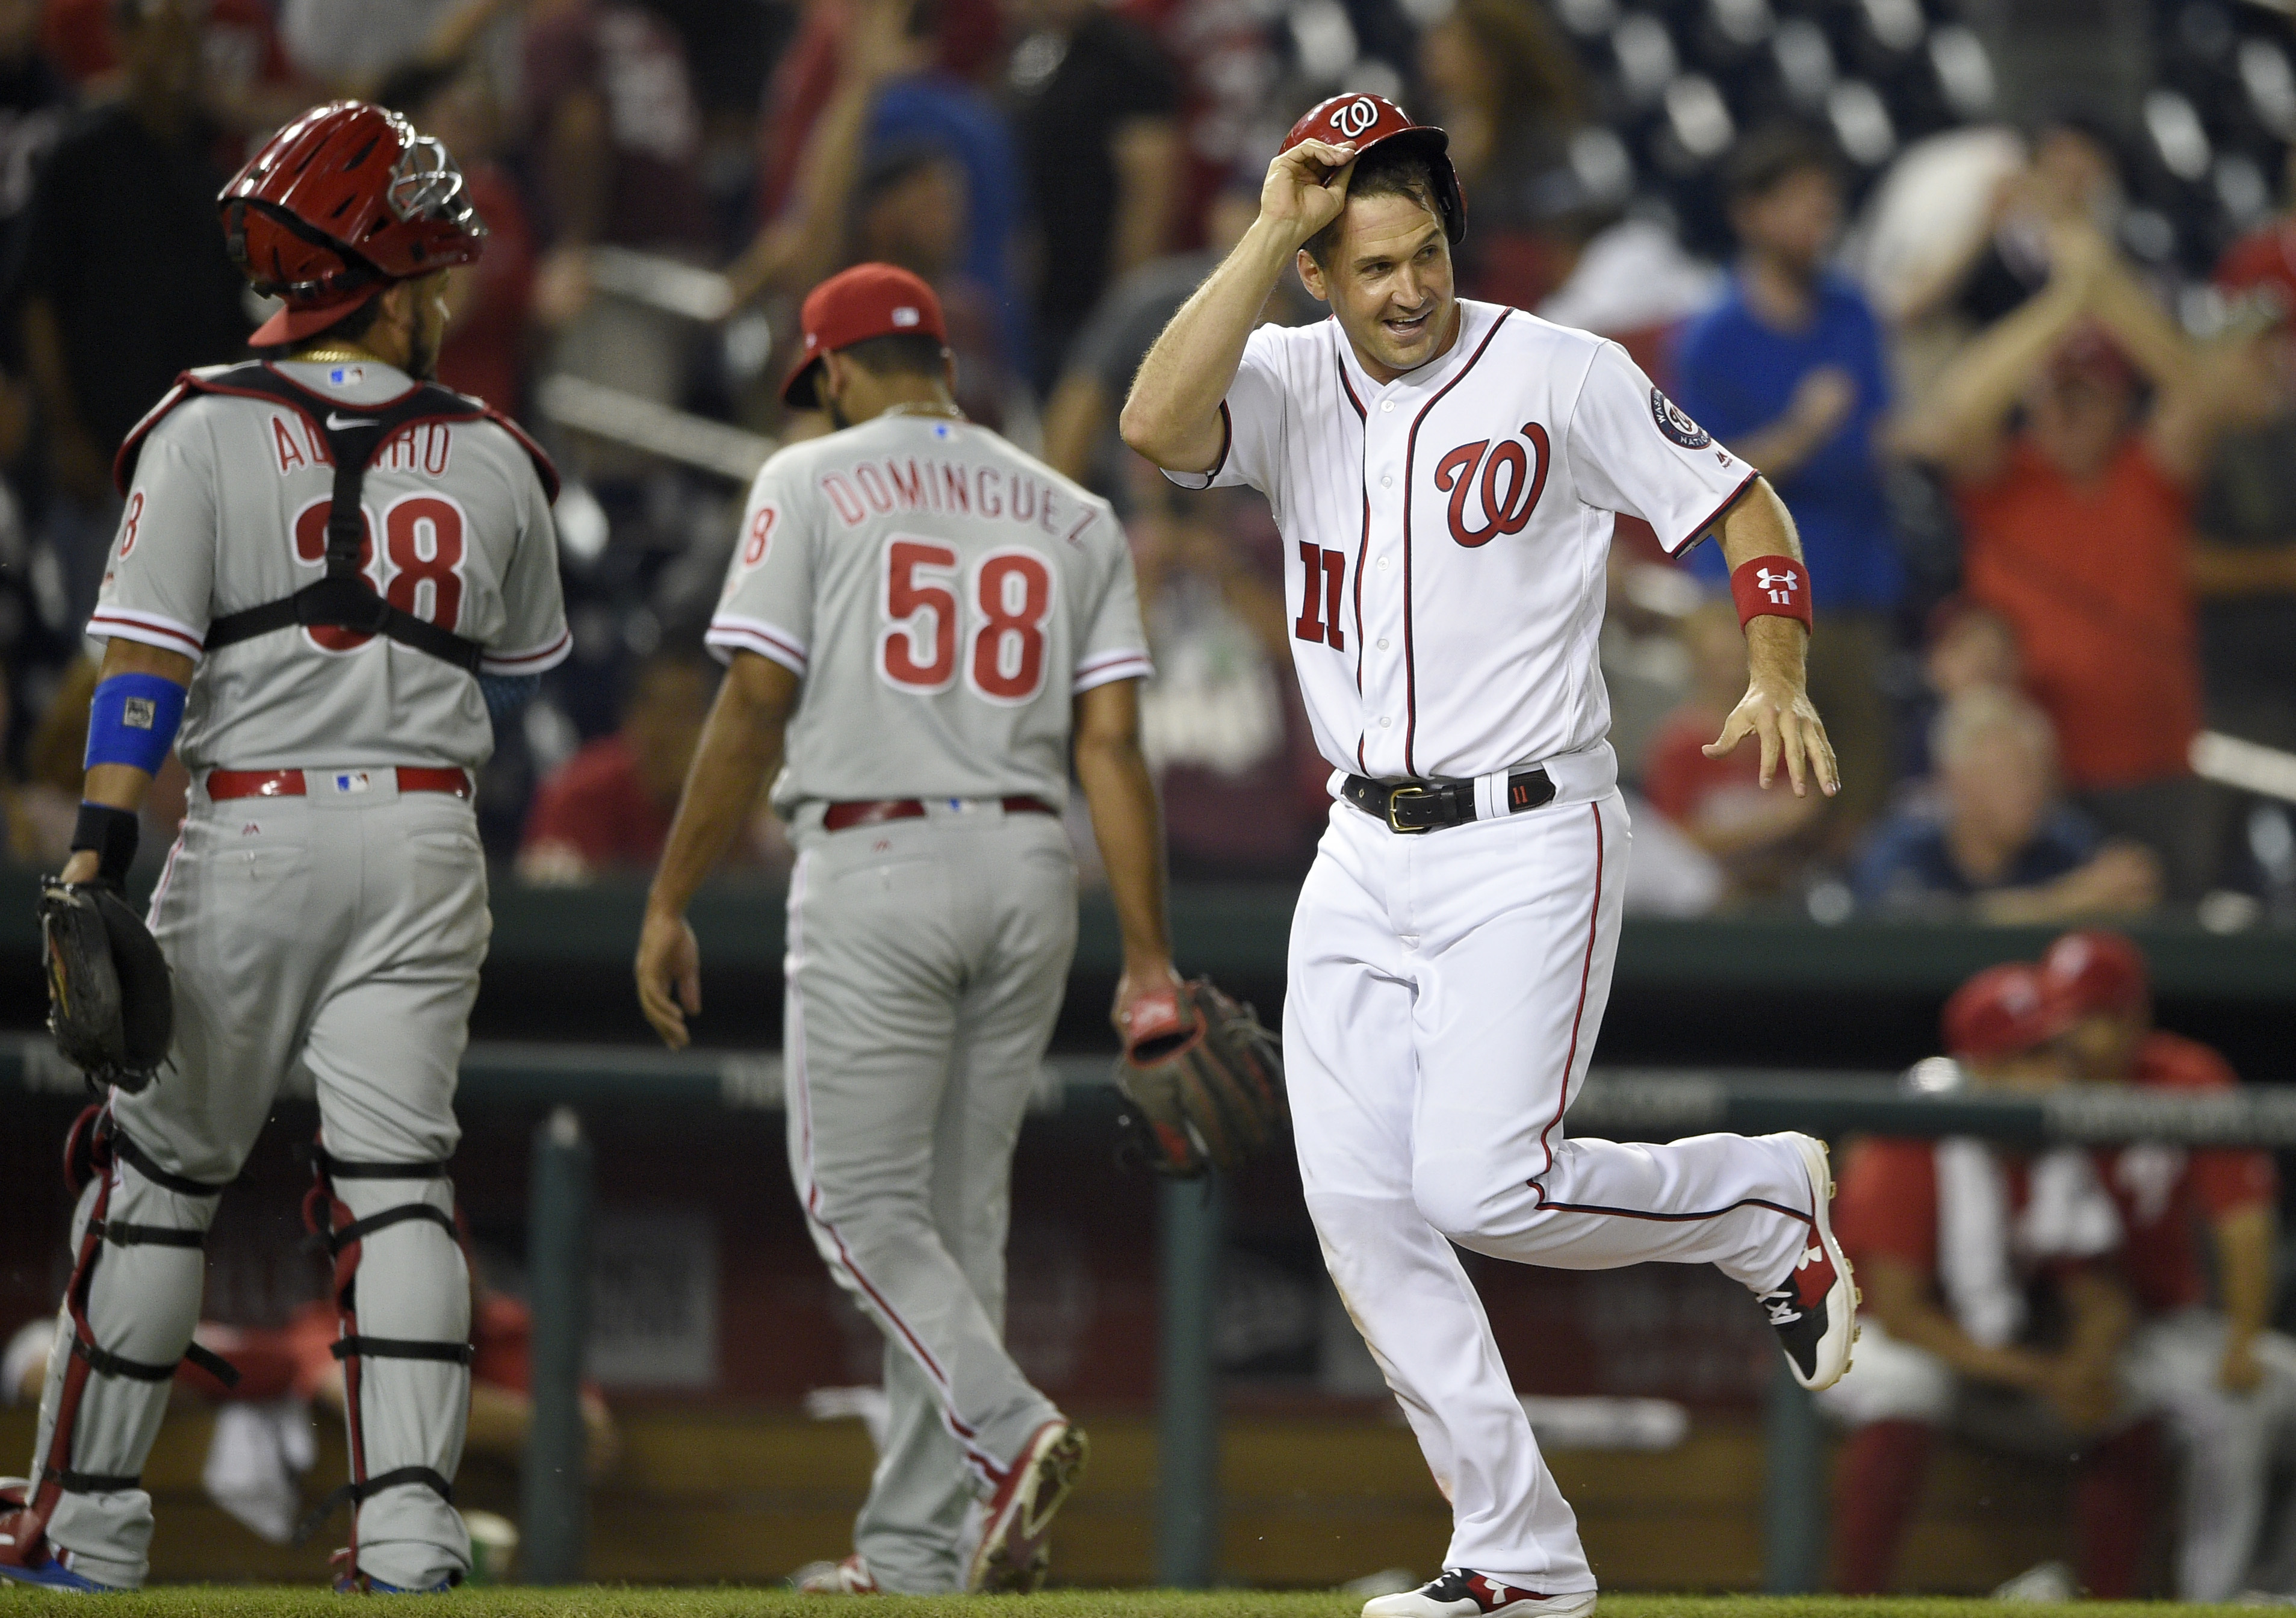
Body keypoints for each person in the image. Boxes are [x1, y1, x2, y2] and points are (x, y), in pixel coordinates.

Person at [1119, 92, 1855, 1618]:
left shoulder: (1552, 370)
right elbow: (1145, 424)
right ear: (1318, 270)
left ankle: (1759, 1206)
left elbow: (1740, 499)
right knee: (1359, 1213)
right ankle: (1512, 1558)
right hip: (1356, 843)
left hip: (1526, 834)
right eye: (1368, 260)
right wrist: (1266, 227)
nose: (1405, 287)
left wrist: (1773, 667)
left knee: (1479, 1186)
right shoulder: (1282, 371)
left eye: (1424, 250)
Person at [0, 101, 569, 1593]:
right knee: (399, 1189)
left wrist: (95, 856)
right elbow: (512, 655)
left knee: (156, 1179)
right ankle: (408, 1535)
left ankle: (91, 1523)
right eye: (429, 271)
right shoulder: (495, 455)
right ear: (380, 277)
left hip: (248, 826)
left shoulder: (196, 425)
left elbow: (140, 675)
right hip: (427, 835)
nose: (444, 297)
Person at [633, 263, 1170, 1595]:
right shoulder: (1073, 508)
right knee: (955, 1216)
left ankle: (1006, 1429)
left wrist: (668, 896)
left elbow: (755, 703)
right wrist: (1149, 956)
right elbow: (1111, 744)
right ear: (938, 361)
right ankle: (918, 1549)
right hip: (1032, 862)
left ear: (828, 374)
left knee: (856, 1205)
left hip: (879, 854)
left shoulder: (804, 479)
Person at [1899, 212, 2272, 899]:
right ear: (2032, 406)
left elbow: (2200, 394)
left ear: (2117, 404)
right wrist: (2063, 303)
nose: (2069, 416)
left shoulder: (2145, 474)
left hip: (2156, 762)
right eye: (2055, 398)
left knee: (2169, 927)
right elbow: (1955, 415)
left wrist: (2107, 288)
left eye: (2088, 398)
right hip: (2040, 776)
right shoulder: (2005, 482)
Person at [1820, 963, 2159, 1597]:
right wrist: (2044, 1374)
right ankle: (1855, 1600)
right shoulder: (1912, 1139)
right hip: (1856, 1335)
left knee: (2128, 1397)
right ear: (1981, 1068)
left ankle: (2111, 1604)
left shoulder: (2049, 1144)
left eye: (2057, 1052)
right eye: (2030, 1057)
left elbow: (2097, 1292)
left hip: (1989, 1348)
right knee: (1908, 1387)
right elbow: (1901, 1314)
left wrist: (2088, 1361)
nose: (2055, 1075)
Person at [2036, 930, 2296, 1601]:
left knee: (2260, 1397)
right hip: (2054, 1327)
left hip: (2169, 1323)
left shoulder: (2186, 1078)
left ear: (2134, 1017)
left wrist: (2242, 1338)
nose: (2077, 1035)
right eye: (2068, 1014)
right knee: (2231, 1419)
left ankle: (2270, 1590)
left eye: (2096, 1016)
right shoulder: (2029, 1076)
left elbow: (2244, 1224)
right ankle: (2212, 1602)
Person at [1674, 126, 1900, 848]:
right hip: (1753, 598)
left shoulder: (1852, 312)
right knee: (1760, 798)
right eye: (1799, 206)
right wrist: (1801, 432)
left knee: (1857, 802)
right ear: (1750, 214)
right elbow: (1697, 475)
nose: (1816, 224)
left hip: (1855, 588)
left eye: (1824, 208)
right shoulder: (1710, 336)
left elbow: (1879, 435)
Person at [7, 0, 253, 627]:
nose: (175, 57)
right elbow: (37, 301)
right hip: (102, 458)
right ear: (124, 43)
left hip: (193, 470)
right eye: (159, 36)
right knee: (98, 654)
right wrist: (64, 434)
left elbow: (235, 328)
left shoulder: (216, 175)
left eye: (188, 39)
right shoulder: (81, 155)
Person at [1851, 685, 2159, 922]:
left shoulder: (2064, 842)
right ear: (1957, 783)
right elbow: (1946, 927)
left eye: (2038, 775)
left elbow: (2123, 890)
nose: (2029, 792)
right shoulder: (1904, 847)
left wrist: (2126, 886)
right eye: (2008, 776)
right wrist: (2072, 899)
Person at [1004, 0, 1181, 389]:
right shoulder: (1031, 52)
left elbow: (1149, 192)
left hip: (1095, 298)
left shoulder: (1125, 57)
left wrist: (1126, 306)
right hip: (1040, 299)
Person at [1640, 597, 1824, 897]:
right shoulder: (1678, 745)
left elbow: (1810, 808)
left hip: (1785, 881)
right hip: (1700, 890)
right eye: (1718, 662)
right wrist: (1766, 823)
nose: (1731, 674)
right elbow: (1671, 840)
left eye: (1740, 660)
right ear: (1698, 663)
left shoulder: (1787, 729)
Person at [518, 648, 717, 882]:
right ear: (632, 717)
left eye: (689, 715)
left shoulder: (728, 799)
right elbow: (538, 881)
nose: (673, 733)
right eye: (664, 712)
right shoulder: (581, 793)